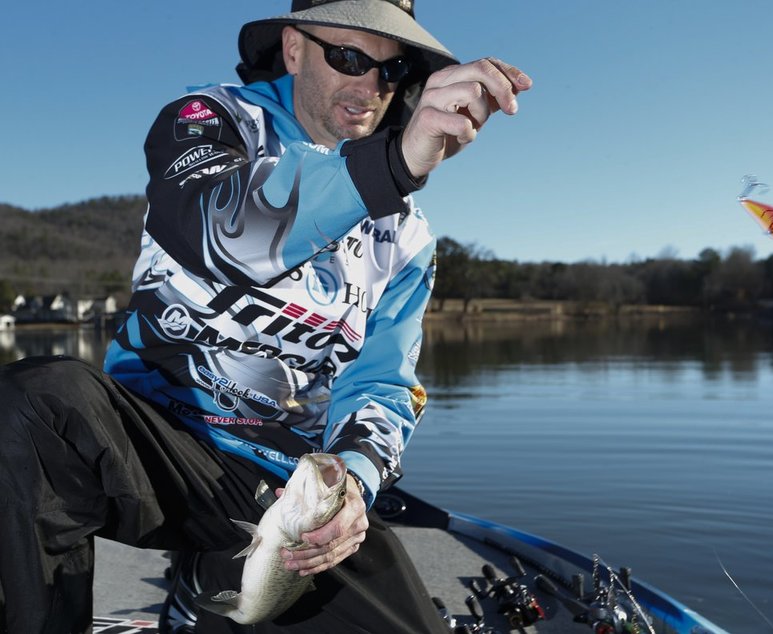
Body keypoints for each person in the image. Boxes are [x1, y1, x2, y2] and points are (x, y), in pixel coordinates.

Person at [0, 0, 531, 632]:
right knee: (36, 402)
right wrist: (391, 165)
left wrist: (355, 484)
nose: (370, 86)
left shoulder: (408, 237)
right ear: (293, 49)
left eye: (391, 71)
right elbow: (215, 226)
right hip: (154, 441)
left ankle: (205, 587)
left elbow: (382, 384)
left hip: (284, 483)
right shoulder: (209, 119)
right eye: (350, 58)